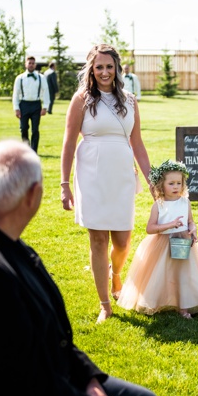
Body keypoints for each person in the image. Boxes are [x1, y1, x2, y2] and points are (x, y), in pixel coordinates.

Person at [0, 140, 163, 396]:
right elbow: (26, 386)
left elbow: (59, 339)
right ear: (34, 195)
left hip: (64, 375)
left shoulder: (15, 245)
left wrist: (90, 380)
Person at [60, 44, 153, 323]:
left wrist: (152, 181)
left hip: (122, 173)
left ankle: (116, 273)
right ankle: (105, 305)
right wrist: (64, 183)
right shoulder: (81, 100)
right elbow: (68, 142)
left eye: (109, 66)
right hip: (91, 172)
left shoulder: (130, 100)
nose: (104, 72)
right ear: (91, 69)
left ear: (117, 69)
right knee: (98, 238)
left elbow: (137, 144)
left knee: (122, 241)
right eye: (98, 67)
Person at [116, 160, 198, 319]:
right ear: (161, 185)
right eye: (171, 183)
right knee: (160, 274)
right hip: (162, 244)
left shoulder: (185, 202)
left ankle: (183, 306)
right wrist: (170, 225)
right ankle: (155, 301)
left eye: (179, 183)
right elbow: (150, 228)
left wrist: (193, 230)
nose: (176, 187)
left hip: (182, 242)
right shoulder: (158, 205)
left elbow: (190, 221)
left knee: (183, 274)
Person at [12, 56, 50, 154]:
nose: (31, 65)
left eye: (33, 63)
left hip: (36, 104)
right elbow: (15, 94)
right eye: (29, 63)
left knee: (35, 129)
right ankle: (26, 149)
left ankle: (34, 151)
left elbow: (46, 92)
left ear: (35, 65)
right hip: (24, 104)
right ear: (26, 64)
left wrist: (45, 107)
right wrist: (16, 108)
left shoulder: (41, 78)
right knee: (23, 128)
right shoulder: (19, 78)